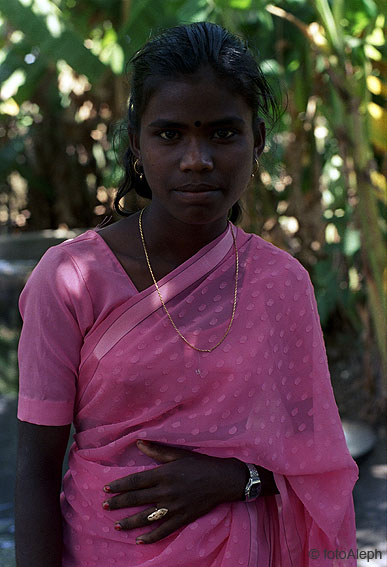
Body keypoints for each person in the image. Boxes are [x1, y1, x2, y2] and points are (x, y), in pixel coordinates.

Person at [15, 22, 358, 567]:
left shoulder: (280, 283)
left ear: (257, 141)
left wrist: (235, 479)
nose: (196, 159)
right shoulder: (70, 278)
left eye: (223, 133)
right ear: (136, 143)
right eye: (170, 134)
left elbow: (312, 463)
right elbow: (35, 469)